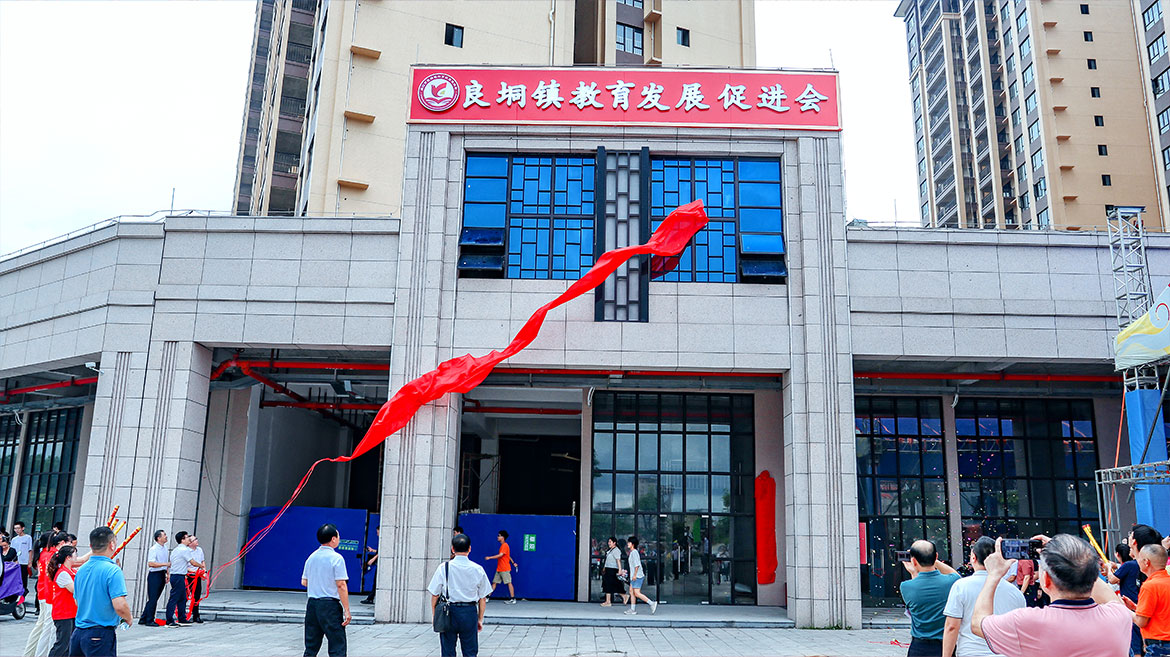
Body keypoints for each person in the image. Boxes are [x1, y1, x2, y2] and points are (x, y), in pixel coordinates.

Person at [971, 535, 1132, 657]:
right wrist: (1071, 555)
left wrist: (993, 575)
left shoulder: (1028, 622)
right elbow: (1106, 593)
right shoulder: (1119, 616)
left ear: (1046, 580)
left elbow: (978, 624)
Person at [942, 537, 1027, 657]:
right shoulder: (1015, 592)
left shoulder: (961, 586)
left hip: (971, 653)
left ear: (973, 557)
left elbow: (952, 627)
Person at [70, 526, 133, 657]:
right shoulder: (113, 570)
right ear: (112, 544)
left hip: (78, 633)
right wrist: (128, 618)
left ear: (91, 546)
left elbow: (77, 601)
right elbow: (120, 605)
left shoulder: (81, 570)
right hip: (99, 634)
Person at [428, 533, 491, 657]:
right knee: (470, 651)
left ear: (452, 549)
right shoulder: (478, 569)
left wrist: (435, 615)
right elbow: (482, 598)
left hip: (448, 612)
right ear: (469, 549)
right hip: (469, 612)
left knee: (447, 650)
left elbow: (435, 594)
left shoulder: (443, 568)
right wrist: (479, 619)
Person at [899, 539, 961, 656]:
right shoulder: (951, 581)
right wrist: (935, 561)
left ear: (914, 561)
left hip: (919, 647)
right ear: (936, 556)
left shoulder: (906, 586)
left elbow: (917, 595)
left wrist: (914, 573)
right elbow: (956, 575)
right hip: (945, 646)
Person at [302, 523, 351, 657]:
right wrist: (346, 610)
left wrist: (319, 582)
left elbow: (304, 582)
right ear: (333, 539)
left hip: (312, 605)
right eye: (338, 536)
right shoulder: (337, 558)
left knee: (311, 646)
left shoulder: (311, 557)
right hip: (329, 605)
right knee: (337, 644)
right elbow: (341, 585)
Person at [26, 531, 69, 657]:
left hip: (43, 593)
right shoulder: (52, 555)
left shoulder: (44, 554)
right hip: (49, 595)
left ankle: (30, 653)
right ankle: (39, 654)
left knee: (42, 627)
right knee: (48, 629)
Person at [1106, 542, 1143, 656]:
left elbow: (1112, 579)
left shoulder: (1128, 565)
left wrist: (1108, 568)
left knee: (1135, 640)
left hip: (1130, 604)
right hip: (1140, 603)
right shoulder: (1140, 564)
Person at [1134, 544, 1170, 657]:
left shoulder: (1149, 586)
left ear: (1146, 562)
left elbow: (1141, 622)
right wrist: (1136, 608)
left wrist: (1123, 610)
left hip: (1159, 645)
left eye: (1139, 558)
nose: (1137, 561)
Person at [47, 546, 78, 657]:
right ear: (68, 557)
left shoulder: (72, 571)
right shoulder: (63, 574)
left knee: (69, 645)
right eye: (75, 554)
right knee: (62, 644)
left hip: (72, 612)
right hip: (63, 614)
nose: (77, 557)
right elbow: (74, 590)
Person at [138, 530, 169, 627]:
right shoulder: (154, 549)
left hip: (162, 573)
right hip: (154, 574)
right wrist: (165, 564)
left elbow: (166, 563)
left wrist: (167, 574)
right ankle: (149, 619)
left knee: (154, 598)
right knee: (153, 598)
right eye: (164, 535)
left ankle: (143, 618)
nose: (166, 536)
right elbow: (151, 563)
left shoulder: (165, 548)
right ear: (158, 538)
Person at [622, 536, 656, 615]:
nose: (628, 544)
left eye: (629, 542)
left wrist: (634, 575)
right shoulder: (632, 552)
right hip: (634, 576)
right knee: (631, 592)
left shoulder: (634, 552)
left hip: (637, 576)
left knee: (636, 593)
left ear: (633, 544)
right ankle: (632, 609)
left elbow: (637, 565)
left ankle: (651, 603)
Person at [165, 531, 193, 627]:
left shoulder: (176, 550)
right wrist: (201, 566)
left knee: (182, 598)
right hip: (178, 576)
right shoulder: (184, 550)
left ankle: (182, 618)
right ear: (182, 540)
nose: (189, 539)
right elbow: (192, 562)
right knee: (174, 598)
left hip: (177, 576)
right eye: (187, 537)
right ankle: (169, 620)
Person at [485, 530, 518, 604]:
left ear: (503, 537)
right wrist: (513, 563)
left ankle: (513, 599)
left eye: (499, 536)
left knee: (509, 583)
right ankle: (487, 597)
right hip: (499, 568)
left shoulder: (505, 545)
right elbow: (508, 556)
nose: (497, 537)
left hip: (505, 568)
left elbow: (501, 555)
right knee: (494, 583)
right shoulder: (503, 546)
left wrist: (490, 557)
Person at [184, 535, 207, 623]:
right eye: (194, 540)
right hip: (189, 576)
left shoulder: (199, 550)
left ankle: (196, 615)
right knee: (186, 596)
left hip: (197, 576)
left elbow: (202, 561)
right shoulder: (186, 551)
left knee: (196, 596)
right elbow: (184, 565)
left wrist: (204, 571)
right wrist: (194, 571)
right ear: (190, 543)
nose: (197, 540)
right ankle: (183, 615)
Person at [600, 537, 627, 607]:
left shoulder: (616, 550)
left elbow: (618, 560)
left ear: (614, 543)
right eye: (608, 542)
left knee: (612, 584)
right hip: (608, 569)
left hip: (612, 569)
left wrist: (620, 570)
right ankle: (608, 601)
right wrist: (604, 568)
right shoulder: (610, 550)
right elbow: (607, 560)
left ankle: (623, 596)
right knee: (607, 585)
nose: (609, 543)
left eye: (610, 542)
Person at [11, 520, 32, 594]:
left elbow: (30, 550)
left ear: (23, 528)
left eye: (18, 528)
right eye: (15, 528)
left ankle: (23, 592)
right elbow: (12, 551)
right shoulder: (14, 539)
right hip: (16, 562)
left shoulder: (28, 538)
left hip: (24, 562)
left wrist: (30, 561)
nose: (17, 530)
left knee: (23, 578)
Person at [361, 528, 378, 605]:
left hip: (379, 564)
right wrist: (372, 550)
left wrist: (373, 559)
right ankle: (370, 598)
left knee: (376, 582)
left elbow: (381, 552)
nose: (377, 533)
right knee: (375, 582)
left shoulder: (384, 540)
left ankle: (370, 598)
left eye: (377, 531)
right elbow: (379, 551)